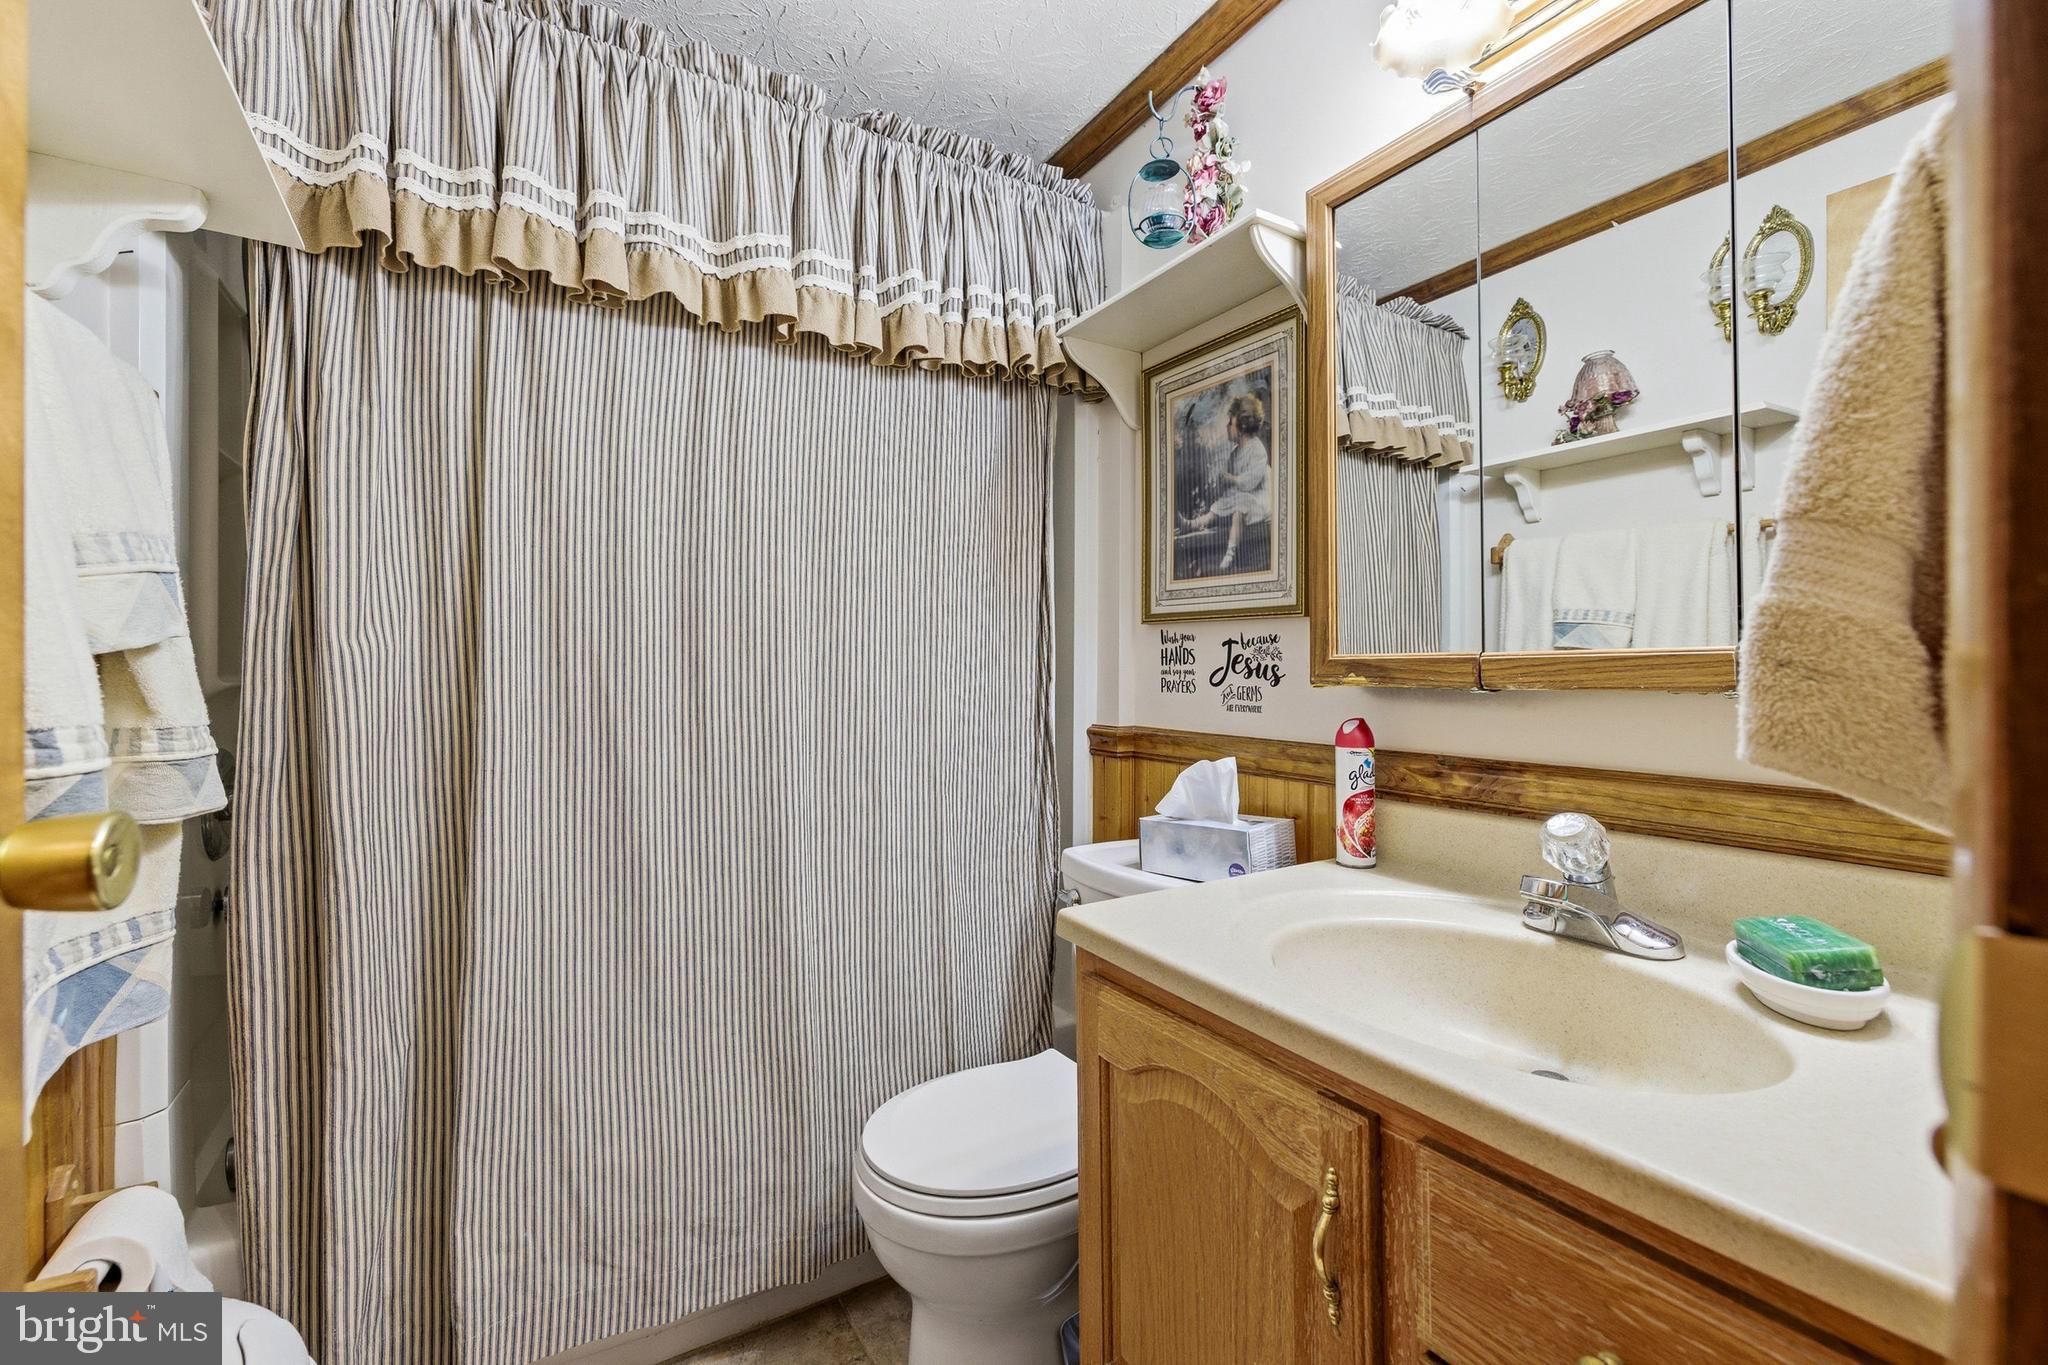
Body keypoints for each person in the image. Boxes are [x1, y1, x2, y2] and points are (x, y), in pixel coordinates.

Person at [1177, 392, 1270, 573]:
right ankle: (1197, 523)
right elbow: (1230, 489)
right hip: (1242, 499)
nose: (1227, 427)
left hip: (1261, 501)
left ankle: (1230, 553)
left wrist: (1230, 478)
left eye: (1230, 423)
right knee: (1230, 500)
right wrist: (1221, 481)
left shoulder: (1258, 450)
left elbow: (1249, 482)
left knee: (1239, 504)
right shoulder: (1235, 452)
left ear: (1242, 426)